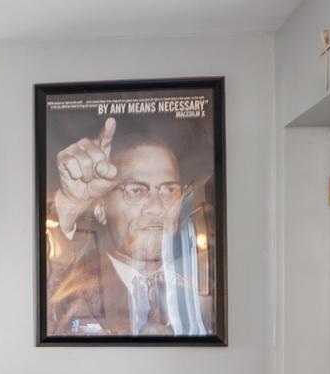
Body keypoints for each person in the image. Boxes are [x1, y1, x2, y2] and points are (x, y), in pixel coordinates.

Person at [45, 116, 210, 337]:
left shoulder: (202, 285)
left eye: (169, 190)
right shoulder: (74, 288)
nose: (156, 208)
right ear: (101, 208)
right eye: (136, 190)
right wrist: (68, 208)